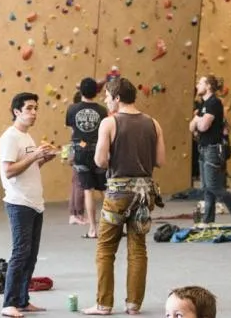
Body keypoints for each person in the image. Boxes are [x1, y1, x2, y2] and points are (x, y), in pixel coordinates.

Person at [87, 76, 165, 316]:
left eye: (107, 97)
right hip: (144, 193)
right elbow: (160, 160)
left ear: (117, 97)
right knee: (138, 248)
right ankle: (133, 305)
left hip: (118, 193)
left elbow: (100, 161)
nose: (106, 101)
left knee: (105, 248)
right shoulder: (153, 123)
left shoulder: (109, 123)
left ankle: (103, 304)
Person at [0, 92, 59, 318]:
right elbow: (8, 171)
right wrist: (34, 156)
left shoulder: (27, 137)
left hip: (35, 202)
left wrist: (43, 159)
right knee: (20, 252)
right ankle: (9, 303)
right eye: (29, 108)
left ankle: (22, 300)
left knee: (31, 255)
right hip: (19, 203)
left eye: (36, 108)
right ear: (17, 111)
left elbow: (28, 168)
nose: (34, 113)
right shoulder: (10, 137)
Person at [189, 75, 231, 227]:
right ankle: (208, 220)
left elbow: (202, 127)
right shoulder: (204, 104)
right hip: (203, 148)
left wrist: (197, 119)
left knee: (213, 186)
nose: (197, 85)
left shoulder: (214, 102)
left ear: (208, 86)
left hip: (213, 149)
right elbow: (191, 127)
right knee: (206, 188)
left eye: (200, 82)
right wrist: (197, 120)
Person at [67, 77, 108, 236]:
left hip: (80, 152)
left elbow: (72, 131)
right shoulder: (102, 111)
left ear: (81, 92)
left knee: (88, 190)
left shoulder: (72, 109)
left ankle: (92, 229)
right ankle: (114, 226)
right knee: (105, 190)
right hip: (98, 151)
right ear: (96, 92)